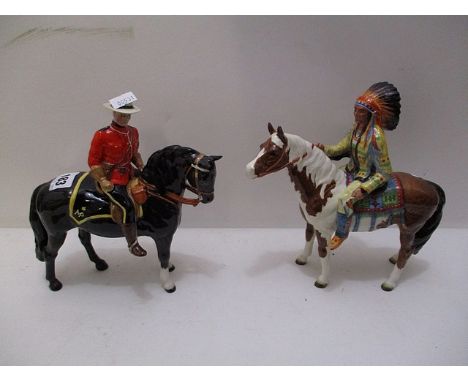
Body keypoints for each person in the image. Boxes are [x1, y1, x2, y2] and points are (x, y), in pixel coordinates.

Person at [318, 82, 401, 250]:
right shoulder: (356, 129)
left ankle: (341, 233)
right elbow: (340, 148)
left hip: (367, 176)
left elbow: (385, 172)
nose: (356, 114)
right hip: (350, 170)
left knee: (344, 200)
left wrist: (365, 188)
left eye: (361, 111)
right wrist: (323, 148)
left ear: (371, 113)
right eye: (355, 110)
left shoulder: (376, 136)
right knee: (324, 183)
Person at [88, 93, 147, 257]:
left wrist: (140, 164)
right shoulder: (102, 135)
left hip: (129, 171)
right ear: (114, 113)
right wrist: (102, 179)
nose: (125, 118)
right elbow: (93, 161)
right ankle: (132, 243)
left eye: (128, 116)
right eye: (121, 115)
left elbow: (134, 152)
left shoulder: (133, 132)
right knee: (126, 205)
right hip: (112, 176)